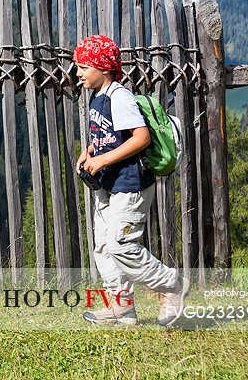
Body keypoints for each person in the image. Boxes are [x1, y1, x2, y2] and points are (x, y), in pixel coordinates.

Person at [73, 34, 189, 327]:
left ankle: (171, 285)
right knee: (103, 246)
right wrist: (90, 152)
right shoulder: (98, 96)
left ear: (105, 68)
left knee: (122, 245)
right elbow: (110, 137)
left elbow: (141, 137)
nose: (78, 73)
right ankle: (121, 308)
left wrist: (102, 160)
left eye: (84, 67)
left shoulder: (119, 97)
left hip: (130, 183)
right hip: (109, 183)